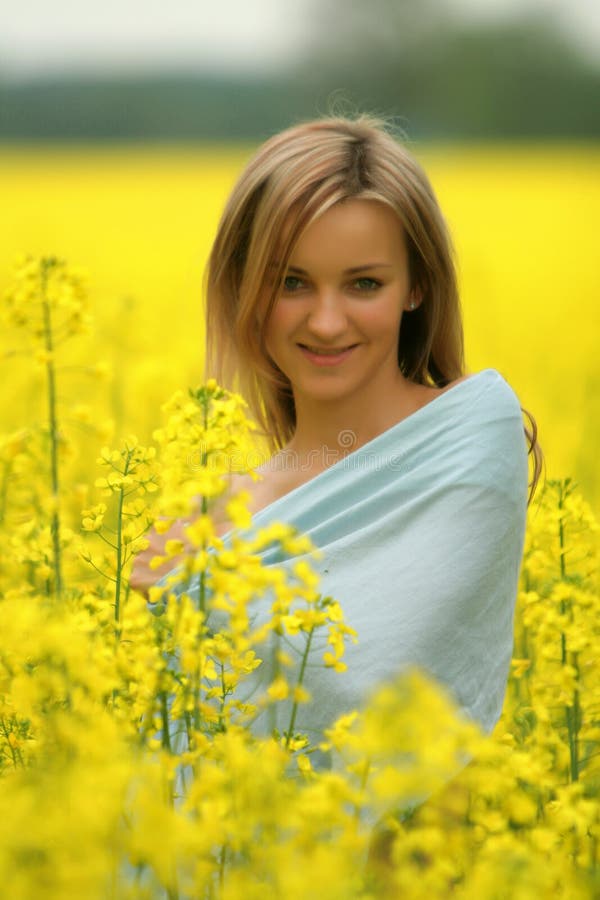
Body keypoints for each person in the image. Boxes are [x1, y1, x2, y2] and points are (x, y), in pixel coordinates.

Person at [130, 113, 543, 756]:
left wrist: (200, 596)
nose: (326, 322)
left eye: (364, 284)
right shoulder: (217, 511)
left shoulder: (471, 431)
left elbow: (390, 684)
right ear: (246, 288)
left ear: (418, 288)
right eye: (292, 282)